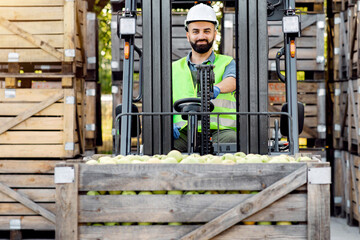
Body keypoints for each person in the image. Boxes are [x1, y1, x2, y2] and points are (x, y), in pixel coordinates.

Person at [172, 3, 237, 152]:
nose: (201, 36)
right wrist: (167, 123)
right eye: (196, 31)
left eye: (207, 31)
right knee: (161, 140)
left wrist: (217, 88)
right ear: (188, 35)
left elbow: (232, 80)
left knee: (233, 141)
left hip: (220, 130)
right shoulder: (173, 68)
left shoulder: (227, 62)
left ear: (215, 33)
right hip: (183, 131)